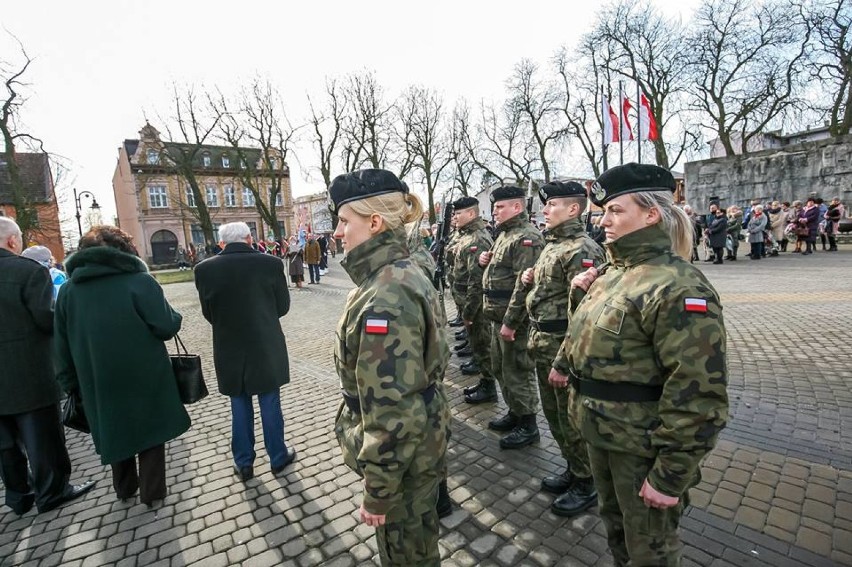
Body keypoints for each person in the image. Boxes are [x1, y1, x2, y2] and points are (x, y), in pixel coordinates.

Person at [568, 163, 728, 566]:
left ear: (651, 214)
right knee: (618, 534)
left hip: (641, 446)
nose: (603, 220)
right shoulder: (614, 273)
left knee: (649, 549)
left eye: (616, 211)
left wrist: (670, 474)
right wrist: (580, 298)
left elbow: (699, 392)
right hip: (603, 434)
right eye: (604, 212)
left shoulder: (678, 285)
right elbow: (594, 346)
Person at [330, 169, 450, 566]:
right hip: (416, 451)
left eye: (344, 221)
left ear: (375, 222)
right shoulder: (398, 271)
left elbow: (393, 409)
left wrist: (379, 491)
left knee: (407, 556)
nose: (337, 232)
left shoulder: (385, 294)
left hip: (402, 461)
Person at [54, 226, 189, 507]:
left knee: (115, 427)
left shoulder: (67, 292)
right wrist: (174, 316)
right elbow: (166, 326)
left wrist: (68, 383)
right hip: (145, 373)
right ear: (123, 250)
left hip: (96, 378)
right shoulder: (139, 281)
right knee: (151, 430)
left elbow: (61, 346)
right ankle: (152, 493)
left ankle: (125, 488)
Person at [0, 217, 95, 515]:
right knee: (41, 436)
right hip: (28, 371)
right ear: (13, 241)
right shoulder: (27, 271)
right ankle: (51, 491)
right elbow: (46, 319)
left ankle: (18, 496)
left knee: (4, 444)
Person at [522, 181, 604, 517]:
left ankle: (587, 481)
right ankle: (574, 467)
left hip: (563, 349)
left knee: (571, 419)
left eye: (552, 204)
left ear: (573, 209)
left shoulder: (582, 249)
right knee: (555, 417)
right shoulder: (552, 245)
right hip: (544, 344)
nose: (545, 210)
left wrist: (565, 362)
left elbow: (583, 316)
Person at [194, 222, 295, 482]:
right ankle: (277, 456)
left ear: (222, 243)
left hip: (229, 346)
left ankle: (243, 462)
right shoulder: (270, 264)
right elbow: (282, 307)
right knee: (270, 401)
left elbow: (209, 313)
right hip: (265, 343)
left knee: (238, 403)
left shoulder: (204, 269)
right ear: (250, 239)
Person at [479, 185, 545, 450]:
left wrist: (511, 322)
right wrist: (485, 261)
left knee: (517, 370)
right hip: (498, 317)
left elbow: (524, 284)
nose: (494, 212)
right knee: (501, 368)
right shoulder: (505, 234)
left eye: (499, 207)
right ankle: (515, 412)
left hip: (513, 320)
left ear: (517, 207)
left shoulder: (527, 237)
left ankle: (528, 424)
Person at [449, 196, 496, 400]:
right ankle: (484, 383)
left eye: (458, 213)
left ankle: (489, 387)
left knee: (483, 346)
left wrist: (468, 313)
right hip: (467, 302)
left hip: (476, 306)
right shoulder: (467, 236)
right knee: (477, 345)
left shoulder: (478, 238)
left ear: (471, 214)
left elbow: (477, 281)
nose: (455, 217)